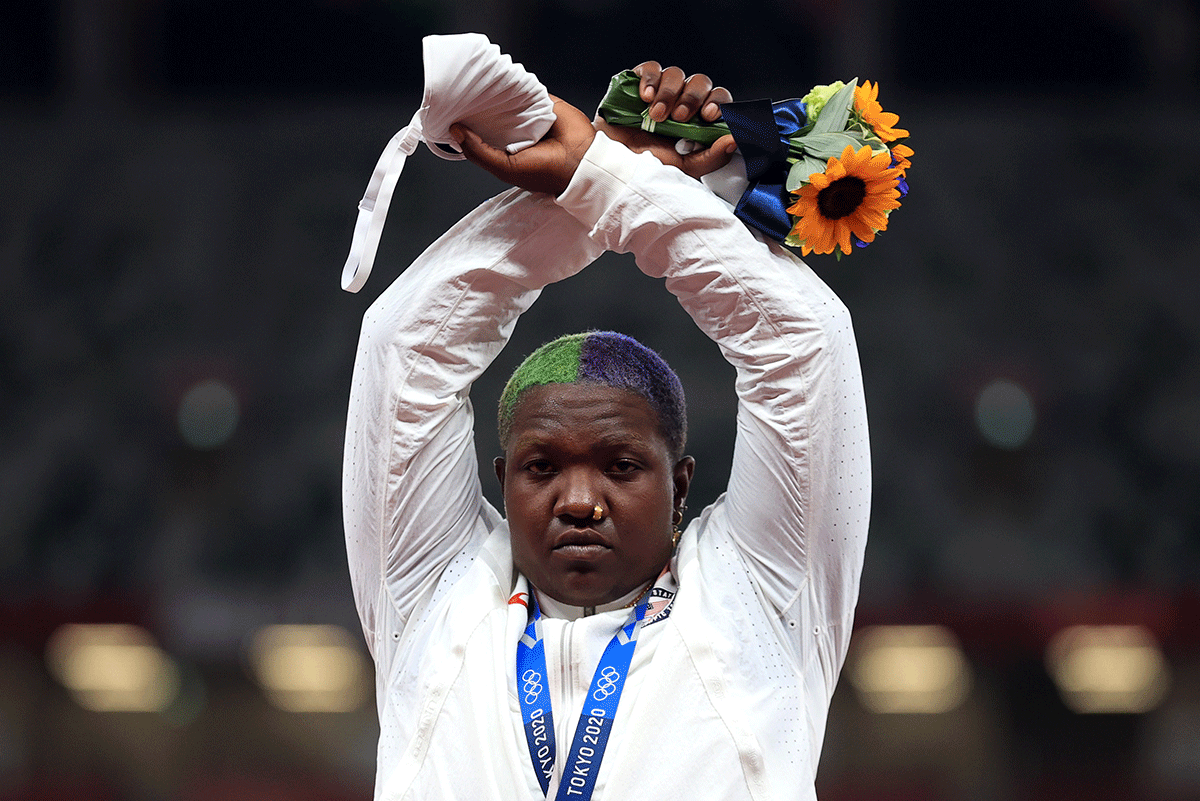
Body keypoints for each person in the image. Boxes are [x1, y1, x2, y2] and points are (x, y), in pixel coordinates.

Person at [342, 62, 871, 800]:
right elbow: (408, 347)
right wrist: (605, 177)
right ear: (501, 481)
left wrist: (602, 178)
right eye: (541, 468)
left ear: (680, 484)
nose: (579, 499)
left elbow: (803, 343)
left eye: (621, 466)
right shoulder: (433, 594)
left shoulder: (761, 595)